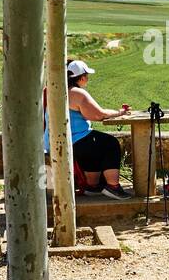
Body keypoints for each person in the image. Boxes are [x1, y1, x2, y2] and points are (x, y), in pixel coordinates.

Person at [45, 59, 131, 199]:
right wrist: (120, 112)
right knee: (110, 143)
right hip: (72, 139)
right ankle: (113, 186)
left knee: (93, 143)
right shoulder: (77, 93)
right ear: (82, 77)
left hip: (53, 140)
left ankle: (93, 186)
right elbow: (98, 115)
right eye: (87, 76)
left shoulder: (56, 90)